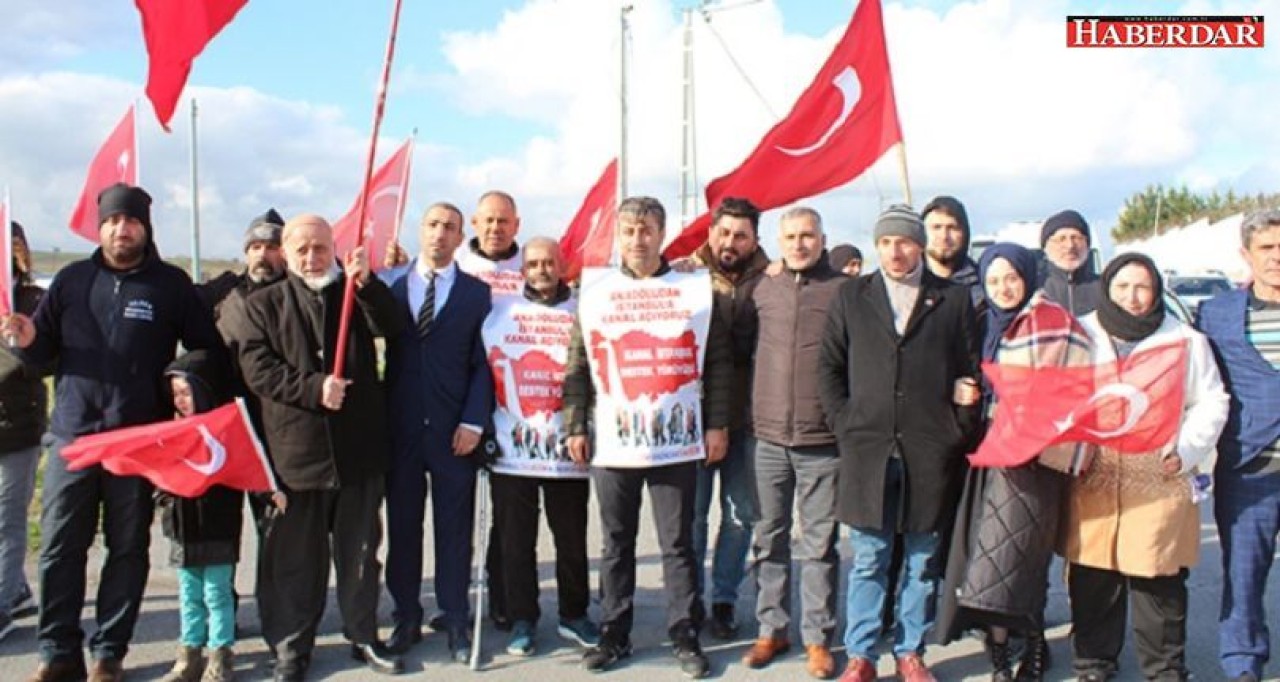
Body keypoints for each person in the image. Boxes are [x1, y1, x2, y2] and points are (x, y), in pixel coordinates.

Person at [4, 183, 224, 682]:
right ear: (99, 227)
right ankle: (57, 652)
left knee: (126, 549)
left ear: (145, 227)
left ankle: (109, 652)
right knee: (60, 547)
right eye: (111, 221)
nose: (121, 229)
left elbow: (205, 348)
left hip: (138, 442)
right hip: (74, 439)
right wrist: (27, 342)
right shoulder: (71, 281)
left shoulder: (170, 285)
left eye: (130, 221)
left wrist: (183, 379)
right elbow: (42, 356)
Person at [563, 196, 733, 678]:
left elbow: (717, 362)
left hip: (675, 439)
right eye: (629, 230)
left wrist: (717, 424)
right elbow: (578, 363)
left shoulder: (694, 290)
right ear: (619, 236)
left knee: (678, 543)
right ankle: (614, 632)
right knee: (616, 541)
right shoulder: (596, 292)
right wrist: (575, 424)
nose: (637, 239)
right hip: (613, 440)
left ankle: (684, 632)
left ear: (661, 234)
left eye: (647, 230)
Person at [817, 204, 978, 682]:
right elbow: (829, 367)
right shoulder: (852, 295)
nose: (894, 251)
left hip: (929, 450)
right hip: (868, 449)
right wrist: (845, 422)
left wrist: (957, 428)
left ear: (920, 246)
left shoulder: (951, 299)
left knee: (921, 561)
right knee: (869, 558)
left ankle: (911, 652)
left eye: (904, 242)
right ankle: (862, 655)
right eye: (885, 242)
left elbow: (969, 369)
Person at [239, 214, 403, 681]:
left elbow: (392, 326)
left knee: (360, 554)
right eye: (302, 249)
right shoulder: (263, 304)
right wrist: (314, 388)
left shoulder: (354, 292)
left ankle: (364, 635)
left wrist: (368, 284)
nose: (312, 257)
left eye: (320, 248)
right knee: (293, 559)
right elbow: (258, 369)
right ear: (285, 252)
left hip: (358, 450)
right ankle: (291, 648)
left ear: (334, 248)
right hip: (296, 454)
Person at [1061, 253, 1228, 682]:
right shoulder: (1080, 332)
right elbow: (1058, 393)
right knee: (1093, 576)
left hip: (1159, 474)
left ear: (1156, 292)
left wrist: (1186, 448)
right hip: (1094, 475)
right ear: (1106, 289)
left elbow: (1212, 400)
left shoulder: (1184, 340)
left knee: (1158, 577)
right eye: (1122, 287)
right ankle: (1094, 663)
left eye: (1142, 288)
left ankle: (1165, 669)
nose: (1132, 297)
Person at [935, 243, 1092, 681]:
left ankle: (1034, 642)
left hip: (1033, 455)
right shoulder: (979, 320)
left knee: (1025, 552)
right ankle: (999, 646)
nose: (1003, 288)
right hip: (981, 451)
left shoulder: (1052, 322)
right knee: (986, 552)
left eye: (1011, 278)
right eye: (993, 280)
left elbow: (1076, 386)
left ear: (1027, 277)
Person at [382, 202, 493, 663]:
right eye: (432, 225)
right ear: (420, 229)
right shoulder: (390, 284)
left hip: (454, 433)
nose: (440, 234)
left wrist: (473, 421)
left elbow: (483, 364)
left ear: (460, 237)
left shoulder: (477, 293)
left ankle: (456, 616)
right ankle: (406, 615)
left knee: (454, 530)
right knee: (403, 527)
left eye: (450, 227)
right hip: (401, 428)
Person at [737, 207, 846, 679]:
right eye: (791, 237)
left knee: (819, 546)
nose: (799, 244)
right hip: (767, 438)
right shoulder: (763, 288)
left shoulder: (844, 290)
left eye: (808, 236)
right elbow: (739, 346)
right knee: (769, 539)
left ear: (822, 239)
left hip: (822, 440)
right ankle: (772, 629)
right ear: (778, 242)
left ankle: (818, 639)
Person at [482, 237, 598, 657]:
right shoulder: (501, 312)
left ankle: (574, 614)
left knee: (570, 537)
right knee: (516, 540)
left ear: (562, 265)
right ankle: (522, 619)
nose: (541, 270)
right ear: (522, 270)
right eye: (533, 264)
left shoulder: (582, 308)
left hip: (567, 445)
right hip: (513, 448)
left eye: (549, 262)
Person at [1195, 208, 1280, 682]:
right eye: (1267, 247)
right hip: (1250, 469)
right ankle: (1243, 664)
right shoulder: (1216, 314)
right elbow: (1196, 382)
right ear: (1246, 254)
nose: (1277, 257)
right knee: (1244, 578)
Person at [686, 196, 769, 639]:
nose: (730, 242)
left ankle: (723, 599)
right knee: (692, 517)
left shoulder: (773, 280)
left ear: (754, 240)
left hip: (749, 418)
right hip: (693, 416)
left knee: (740, 515)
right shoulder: (683, 276)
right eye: (723, 232)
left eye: (740, 235)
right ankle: (689, 599)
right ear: (710, 233)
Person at [453, 190, 524, 632]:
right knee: (457, 511)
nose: (496, 228)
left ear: (516, 225)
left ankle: (503, 598)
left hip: (515, 403)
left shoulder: (531, 266)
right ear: (475, 224)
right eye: (488, 220)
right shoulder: (457, 262)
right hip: (463, 402)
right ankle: (454, 601)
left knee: (507, 514)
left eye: (504, 221)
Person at [158, 350, 246, 682]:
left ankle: (220, 653)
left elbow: (246, 467)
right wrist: (163, 496)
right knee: (189, 594)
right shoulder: (170, 431)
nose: (180, 400)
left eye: (186, 392)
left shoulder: (225, 430)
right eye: (175, 394)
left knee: (216, 593)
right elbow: (161, 475)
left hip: (218, 526)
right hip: (183, 528)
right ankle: (190, 653)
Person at [0, 222, 47, 640]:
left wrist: (15, 340)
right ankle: (16, 589)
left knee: (7, 519)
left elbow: (41, 362)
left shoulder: (33, 301)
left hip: (16, 429)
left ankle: (1, 607)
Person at [922, 196, 983, 307]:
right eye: (936, 227)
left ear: (965, 233)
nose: (944, 236)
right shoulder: (907, 283)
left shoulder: (984, 287)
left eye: (952, 228)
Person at [1038, 209, 1101, 316]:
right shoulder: (1033, 290)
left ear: (1087, 245)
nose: (1070, 246)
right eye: (1061, 239)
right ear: (1046, 247)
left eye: (1076, 238)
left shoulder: (1105, 288)